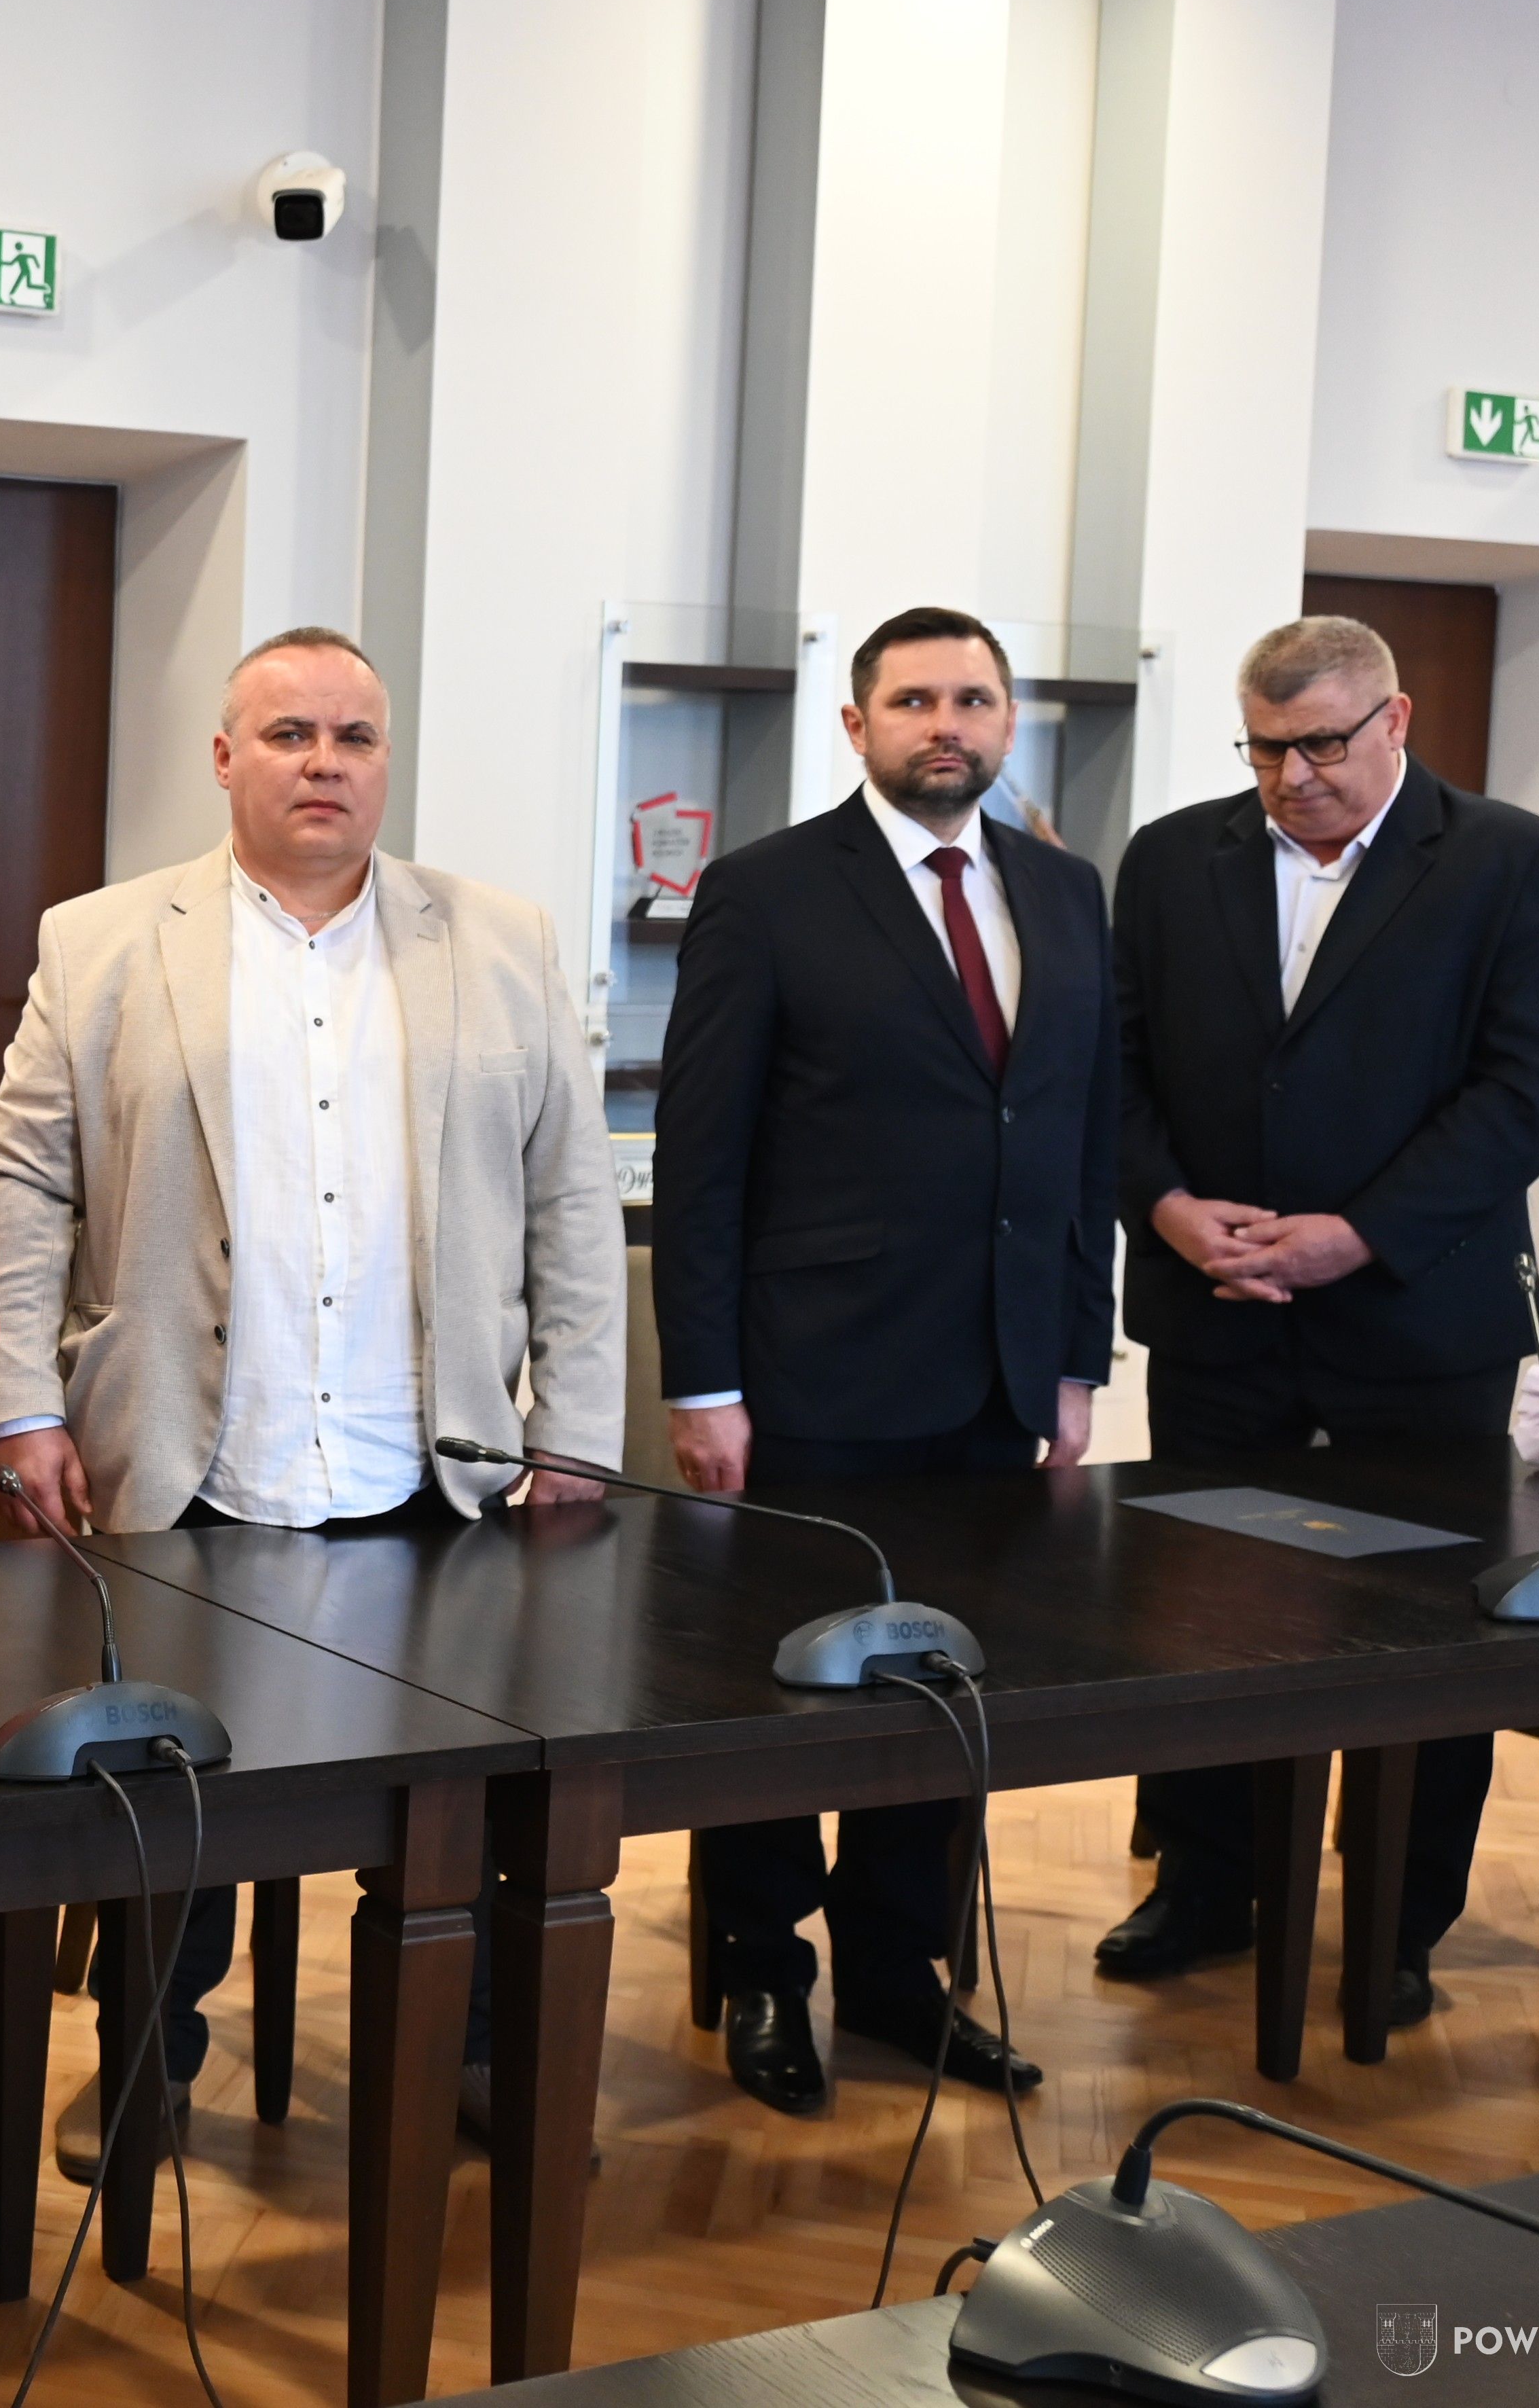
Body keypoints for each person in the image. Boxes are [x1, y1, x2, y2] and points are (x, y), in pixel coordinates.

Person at [0, 626, 626, 2176]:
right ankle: (147, 2059)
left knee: (464, 1800)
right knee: (176, 1801)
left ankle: (469, 2052)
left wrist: (578, 1427)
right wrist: (18, 1398)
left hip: (440, 1471)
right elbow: (22, 1185)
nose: (324, 762)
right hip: (192, 1459)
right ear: (224, 757)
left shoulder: (504, 940)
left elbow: (570, 1198)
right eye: (288, 734)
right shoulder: (101, 941)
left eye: (354, 736)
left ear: (386, 758)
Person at [651, 605, 1117, 2117]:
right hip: (813, 1376)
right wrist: (702, 1381)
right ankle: (763, 1968)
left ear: (1008, 721)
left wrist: (1076, 1355)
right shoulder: (767, 889)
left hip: (997, 1378)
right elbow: (702, 1155)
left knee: (944, 1686)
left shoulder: (1064, 888)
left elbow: (1081, 1141)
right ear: (856, 725)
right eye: (914, 700)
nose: (947, 724)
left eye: (973, 699)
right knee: (783, 1694)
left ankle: (902, 1976)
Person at [1101, 615, 1539, 2020]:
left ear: (1397, 721)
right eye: (1265, 749)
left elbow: (1526, 1091)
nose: (1292, 777)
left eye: (1322, 744)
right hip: (1219, 1310)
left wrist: (1358, 1233)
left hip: (1417, 1321)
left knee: (1425, 1637)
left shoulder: (1512, 860)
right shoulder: (1172, 858)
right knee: (1204, 1621)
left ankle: (1397, 1921)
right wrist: (1169, 1207)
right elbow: (1112, 1065)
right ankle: (1207, 1885)